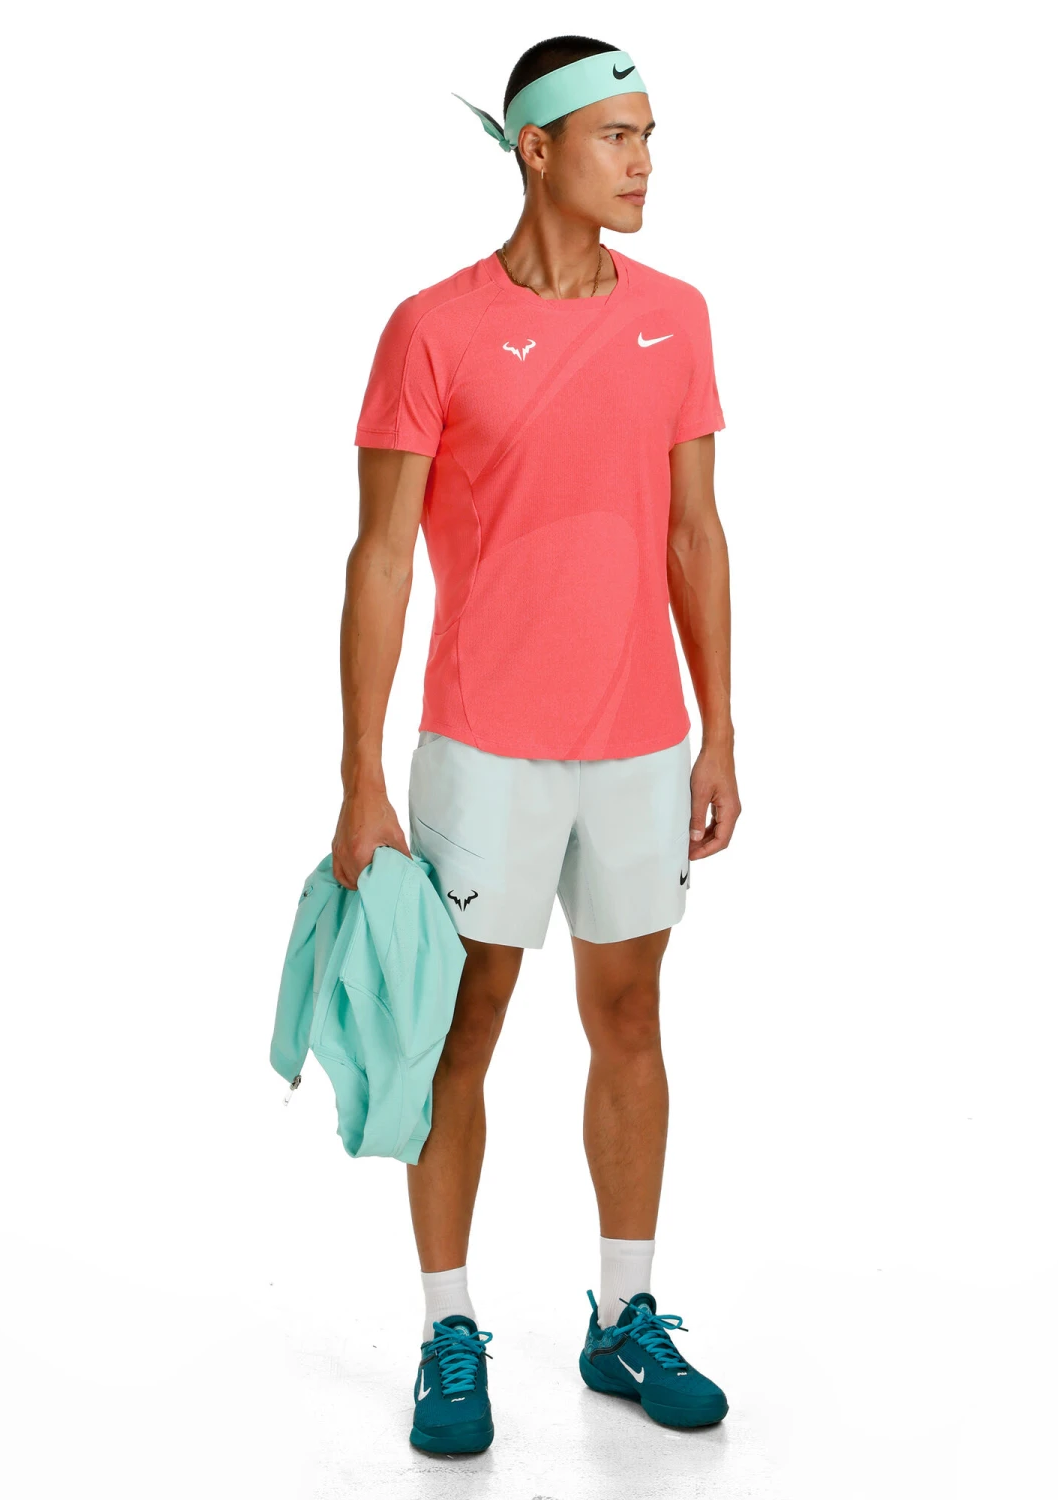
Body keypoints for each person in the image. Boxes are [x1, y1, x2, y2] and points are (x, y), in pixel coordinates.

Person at [333, 36, 740, 1454]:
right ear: (538, 149)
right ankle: (448, 1331)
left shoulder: (677, 318)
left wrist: (720, 728)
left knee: (630, 1020)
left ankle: (624, 1319)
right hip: (483, 753)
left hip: (638, 745)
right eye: (618, 136)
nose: (644, 162)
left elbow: (696, 532)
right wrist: (360, 774)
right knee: (461, 1035)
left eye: (650, 135)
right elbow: (381, 560)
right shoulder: (432, 329)